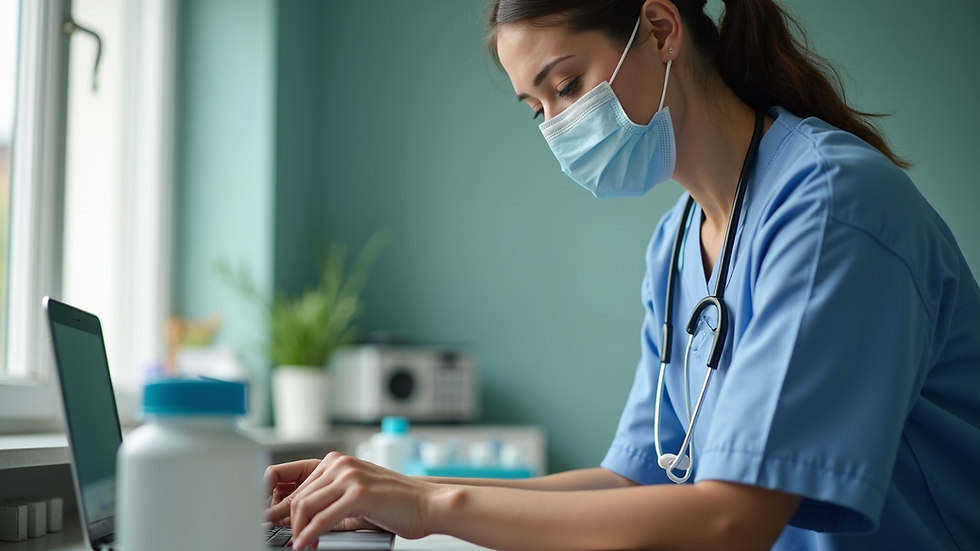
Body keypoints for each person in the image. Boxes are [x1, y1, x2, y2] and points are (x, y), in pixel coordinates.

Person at [264, 0, 980, 549]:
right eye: (537, 108)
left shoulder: (831, 207)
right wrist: (393, 487)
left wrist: (430, 508)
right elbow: (633, 478)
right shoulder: (675, 247)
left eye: (567, 84)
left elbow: (734, 517)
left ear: (662, 30)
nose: (557, 127)